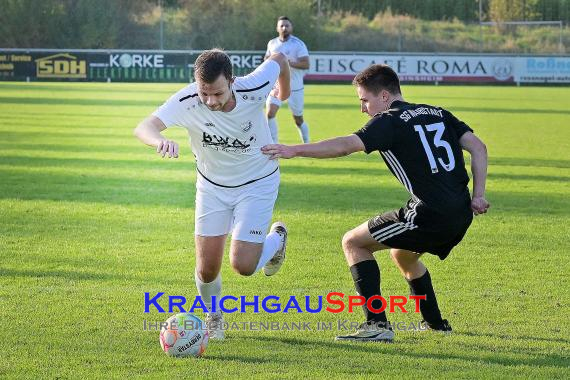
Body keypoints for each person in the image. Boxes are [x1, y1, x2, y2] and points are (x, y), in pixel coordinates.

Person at [262, 64, 489, 342]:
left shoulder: (389, 121)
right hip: (462, 211)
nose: (363, 109)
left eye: (364, 100)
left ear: (383, 96)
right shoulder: (437, 112)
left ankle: (376, 325)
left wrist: (293, 150)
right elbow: (479, 147)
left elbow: (346, 145)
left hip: (429, 213)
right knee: (402, 254)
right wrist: (478, 195)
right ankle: (435, 324)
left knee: (353, 242)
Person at [134, 49, 291, 340]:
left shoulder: (255, 86)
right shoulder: (187, 99)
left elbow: (280, 58)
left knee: (243, 265)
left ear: (232, 81)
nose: (210, 101)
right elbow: (144, 127)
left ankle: (277, 239)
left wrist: (284, 92)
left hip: (258, 183)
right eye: (205, 93)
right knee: (206, 270)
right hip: (212, 188)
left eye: (217, 93)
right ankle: (214, 317)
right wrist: (159, 140)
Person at [265, 16, 310, 144]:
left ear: (291, 28)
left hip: (295, 87)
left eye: (287, 25)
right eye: (282, 26)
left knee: (298, 119)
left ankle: (306, 143)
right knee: (270, 113)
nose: (284, 28)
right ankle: (273, 144)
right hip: (277, 86)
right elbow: (266, 59)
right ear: (277, 28)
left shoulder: (298, 44)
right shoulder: (272, 43)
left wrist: (287, 63)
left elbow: (306, 64)